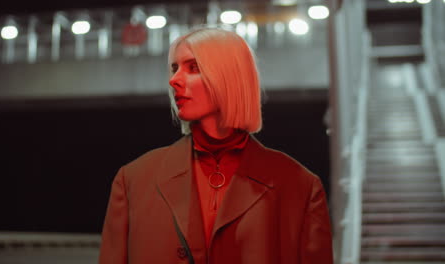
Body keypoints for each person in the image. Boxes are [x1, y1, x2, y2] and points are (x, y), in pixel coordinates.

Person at [99, 27, 333, 264]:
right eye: (174, 68)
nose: (174, 80)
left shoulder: (299, 186)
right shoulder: (133, 180)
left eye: (193, 67)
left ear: (230, 76)